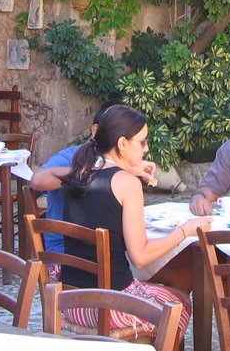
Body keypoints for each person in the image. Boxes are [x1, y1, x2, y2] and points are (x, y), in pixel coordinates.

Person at [30, 104, 209, 337]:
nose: (147, 148)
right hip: (110, 306)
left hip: (73, 303)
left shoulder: (78, 172)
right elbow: (140, 257)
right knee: (179, 303)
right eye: (142, 142)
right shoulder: (127, 183)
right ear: (122, 144)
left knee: (165, 289)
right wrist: (185, 231)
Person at [38, 99, 124, 255]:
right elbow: (38, 181)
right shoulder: (71, 157)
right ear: (96, 132)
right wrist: (92, 168)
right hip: (67, 255)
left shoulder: (123, 161)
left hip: (107, 251)